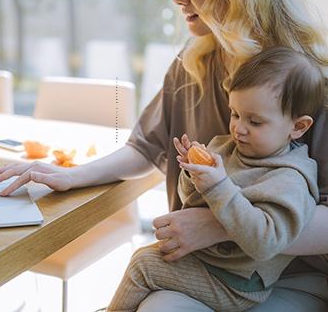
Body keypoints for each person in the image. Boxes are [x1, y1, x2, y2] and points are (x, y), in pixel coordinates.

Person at [0, 0, 328, 310]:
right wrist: (72, 175)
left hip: (289, 274)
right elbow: (146, 148)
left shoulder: (311, 81)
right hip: (204, 264)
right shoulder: (194, 62)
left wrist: (219, 225)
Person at [106, 47, 322, 311]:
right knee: (146, 259)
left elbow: (266, 242)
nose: (238, 129)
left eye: (255, 122)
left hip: (237, 283)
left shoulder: (290, 178)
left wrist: (219, 186)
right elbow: (194, 202)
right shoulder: (227, 147)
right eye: (235, 114)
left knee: (143, 267)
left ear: (298, 127)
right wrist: (193, 173)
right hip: (210, 263)